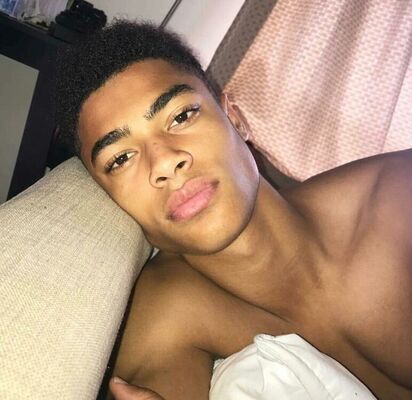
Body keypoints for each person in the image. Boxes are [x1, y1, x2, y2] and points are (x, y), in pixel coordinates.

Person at [55, 21, 412, 400]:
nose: (164, 163)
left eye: (181, 116)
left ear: (235, 119)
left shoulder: (397, 200)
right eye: (120, 159)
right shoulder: (168, 312)